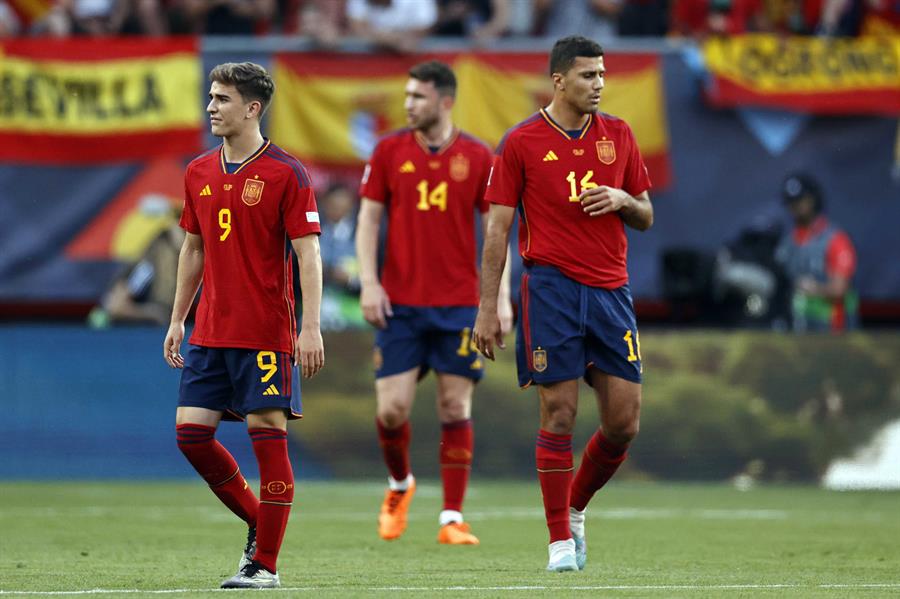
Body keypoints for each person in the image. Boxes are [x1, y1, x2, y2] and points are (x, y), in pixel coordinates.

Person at [473, 35, 654, 572]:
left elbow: (646, 214)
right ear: (558, 81)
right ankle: (558, 543)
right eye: (587, 76)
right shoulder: (522, 141)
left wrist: (624, 200)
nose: (598, 84)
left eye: (602, 75)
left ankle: (573, 508)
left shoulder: (618, 135)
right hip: (550, 288)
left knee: (623, 423)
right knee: (559, 413)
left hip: (611, 291)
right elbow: (497, 229)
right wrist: (488, 306)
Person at [162, 62, 324, 589]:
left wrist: (311, 326)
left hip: (264, 331)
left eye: (222, 99)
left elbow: (308, 254)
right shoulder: (198, 171)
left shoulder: (286, 172)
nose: (211, 106)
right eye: (210, 97)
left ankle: (265, 565)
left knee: (266, 433)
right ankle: (261, 521)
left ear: (252, 108)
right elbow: (193, 247)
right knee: (191, 435)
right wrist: (177, 317)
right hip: (209, 329)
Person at [355, 60, 512, 546]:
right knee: (391, 411)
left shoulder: (479, 156)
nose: (408, 105)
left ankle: (451, 518)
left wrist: (498, 299)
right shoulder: (387, 152)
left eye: (418, 97)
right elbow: (368, 222)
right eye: (407, 96)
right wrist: (369, 282)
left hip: (460, 305)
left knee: (453, 404)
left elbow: (497, 233)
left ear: (445, 101)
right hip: (400, 303)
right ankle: (400, 486)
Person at [775, 173, 858, 332]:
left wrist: (814, 288)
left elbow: (839, 289)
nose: (796, 206)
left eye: (800, 200)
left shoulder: (835, 239)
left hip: (832, 329)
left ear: (813, 199)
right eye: (791, 202)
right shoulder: (787, 243)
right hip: (798, 329)